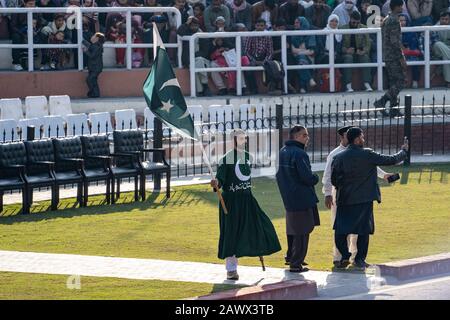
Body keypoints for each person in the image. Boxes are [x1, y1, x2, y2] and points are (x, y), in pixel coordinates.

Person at [331, 127, 408, 270]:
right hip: (363, 199)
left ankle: (344, 256)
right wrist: (403, 151)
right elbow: (391, 159)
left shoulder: (338, 157)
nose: (363, 139)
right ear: (357, 139)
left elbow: (334, 180)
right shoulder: (367, 154)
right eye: (362, 137)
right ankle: (359, 260)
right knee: (363, 230)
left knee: (341, 229)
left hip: (345, 199)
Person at [210, 129, 281, 280]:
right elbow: (220, 179)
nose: (244, 141)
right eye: (241, 138)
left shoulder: (248, 157)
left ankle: (260, 249)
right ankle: (231, 269)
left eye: (245, 138)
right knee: (231, 233)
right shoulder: (226, 158)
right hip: (231, 202)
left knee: (261, 225)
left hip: (247, 199)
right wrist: (216, 183)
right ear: (234, 140)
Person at [276, 125, 320, 273]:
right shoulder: (299, 153)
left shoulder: (282, 152)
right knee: (302, 231)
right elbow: (307, 177)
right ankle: (296, 263)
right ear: (295, 137)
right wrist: (316, 178)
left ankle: (291, 257)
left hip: (288, 197)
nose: (307, 138)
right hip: (301, 197)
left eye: (307, 135)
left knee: (293, 230)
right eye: (304, 135)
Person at [374, 0, 406, 118]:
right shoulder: (393, 20)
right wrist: (401, 57)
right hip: (393, 56)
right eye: (401, 6)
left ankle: (394, 108)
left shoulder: (387, 19)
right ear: (396, 7)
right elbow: (395, 42)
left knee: (393, 82)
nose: (402, 8)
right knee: (401, 82)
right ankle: (382, 101)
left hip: (388, 55)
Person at [340, 11, 372, 92]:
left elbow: (368, 44)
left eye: (357, 22)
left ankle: (367, 83)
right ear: (350, 19)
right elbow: (339, 46)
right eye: (354, 22)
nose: (355, 24)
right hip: (347, 54)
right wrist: (346, 50)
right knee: (348, 58)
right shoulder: (342, 28)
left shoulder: (364, 28)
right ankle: (348, 85)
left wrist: (363, 51)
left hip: (359, 53)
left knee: (365, 57)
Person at [243, 18, 274, 94]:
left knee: (272, 67)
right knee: (248, 69)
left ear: (265, 26)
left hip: (264, 58)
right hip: (252, 58)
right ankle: (253, 89)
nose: (260, 27)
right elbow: (246, 51)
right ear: (255, 26)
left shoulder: (268, 35)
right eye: (258, 25)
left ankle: (270, 89)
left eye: (262, 25)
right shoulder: (250, 35)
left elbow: (270, 51)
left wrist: (265, 61)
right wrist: (254, 60)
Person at [291, 17, 317, 93]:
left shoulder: (310, 34)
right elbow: (293, 50)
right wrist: (304, 50)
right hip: (295, 58)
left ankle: (303, 87)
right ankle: (310, 79)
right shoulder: (293, 34)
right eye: (295, 23)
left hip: (309, 58)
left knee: (301, 59)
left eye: (297, 23)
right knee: (301, 59)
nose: (295, 24)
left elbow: (312, 51)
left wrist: (299, 51)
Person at [399, 14, 422, 89]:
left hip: (410, 53)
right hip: (398, 53)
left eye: (403, 20)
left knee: (415, 60)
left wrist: (409, 50)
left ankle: (415, 81)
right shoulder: (393, 31)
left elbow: (414, 45)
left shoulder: (411, 31)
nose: (402, 22)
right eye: (400, 20)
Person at [83, 32, 105, 98]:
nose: (92, 37)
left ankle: (93, 93)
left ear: (97, 38)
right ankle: (95, 94)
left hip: (96, 67)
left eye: (93, 36)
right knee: (93, 80)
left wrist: (85, 51)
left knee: (89, 79)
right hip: (94, 67)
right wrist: (83, 41)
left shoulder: (97, 46)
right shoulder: (95, 45)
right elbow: (90, 46)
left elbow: (92, 55)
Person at [432, 11, 450, 88]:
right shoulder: (435, 27)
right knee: (438, 44)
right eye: (442, 19)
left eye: (446, 19)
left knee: (446, 57)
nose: (444, 21)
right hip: (437, 50)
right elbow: (434, 42)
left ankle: (448, 81)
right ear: (440, 19)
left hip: (446, 51)